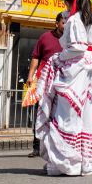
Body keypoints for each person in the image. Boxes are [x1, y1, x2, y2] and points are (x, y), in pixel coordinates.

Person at [35, 0, 92, 176]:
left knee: (66, 114)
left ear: (68, 0)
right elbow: (88, 46)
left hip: (75, 67)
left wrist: (59, 57)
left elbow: (78, 47)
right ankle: (85, 164)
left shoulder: (74, 20)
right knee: (85, 115)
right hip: (88, 66)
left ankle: (66, 163)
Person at [24, 12, 65, 157]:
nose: (65, 25)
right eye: (63, 22)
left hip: (63, 81)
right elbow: (36, 57)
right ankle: (36, 146)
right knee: (40, 112)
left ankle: (57, 145)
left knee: (59, 113)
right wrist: (31, 75)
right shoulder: (45, 37)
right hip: (43, 80)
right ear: (57, 23)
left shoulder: (72, 40)